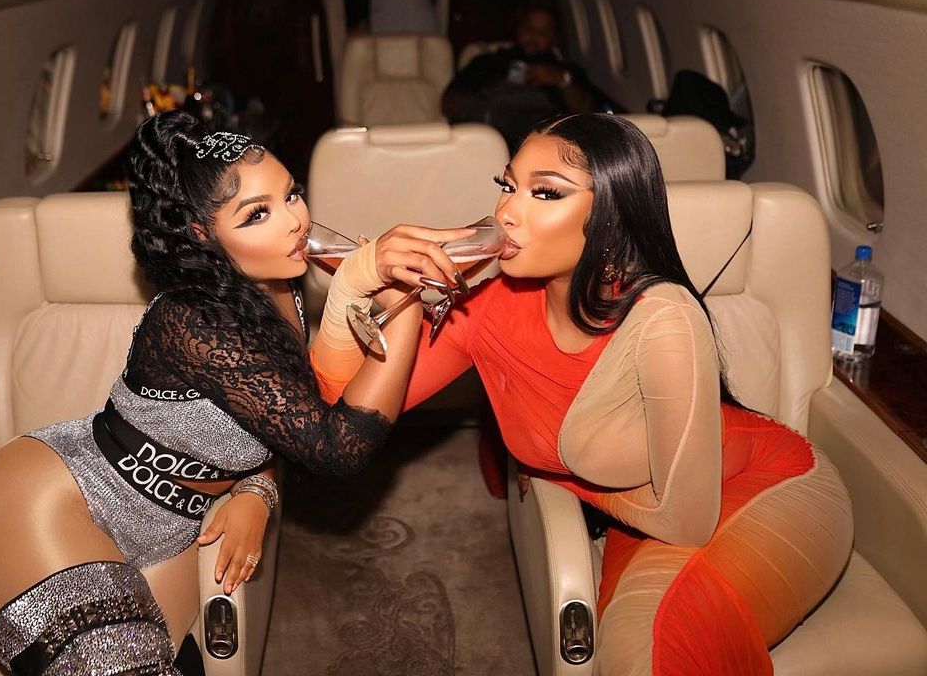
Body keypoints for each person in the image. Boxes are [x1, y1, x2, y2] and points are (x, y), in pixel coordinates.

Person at [311, 113, 854, 674]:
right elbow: (333, 419)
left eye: (546, 193)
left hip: (770, 487)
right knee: (636, 653)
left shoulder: (659, 316)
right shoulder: (485, 310)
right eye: (507, 186)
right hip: (643, 517)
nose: (506, 212)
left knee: (664, 640)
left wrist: (558, 474)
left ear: (610, 216)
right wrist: (357, 286)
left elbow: (686, 521)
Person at [0, 110, 472, 675]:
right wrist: (404, 303)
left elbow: (289, 413)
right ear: (202, 234)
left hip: (174, 522)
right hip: (56, 502)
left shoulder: (280, 277)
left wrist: (256, 488)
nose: (295, 221)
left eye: (292, 194)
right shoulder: (194, 319)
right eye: (257, 214)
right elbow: (335, 446)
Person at [441, 7, 612, 151]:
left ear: (553, 39)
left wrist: (560, 79)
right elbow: (448, 104)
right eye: (529, 29)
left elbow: (587, 112)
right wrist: (489, 94)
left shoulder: (566, 72)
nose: (534, 36)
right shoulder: (487, 62)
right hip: (489, 142)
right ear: (519, 31)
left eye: (542, 33)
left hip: (545, 144)